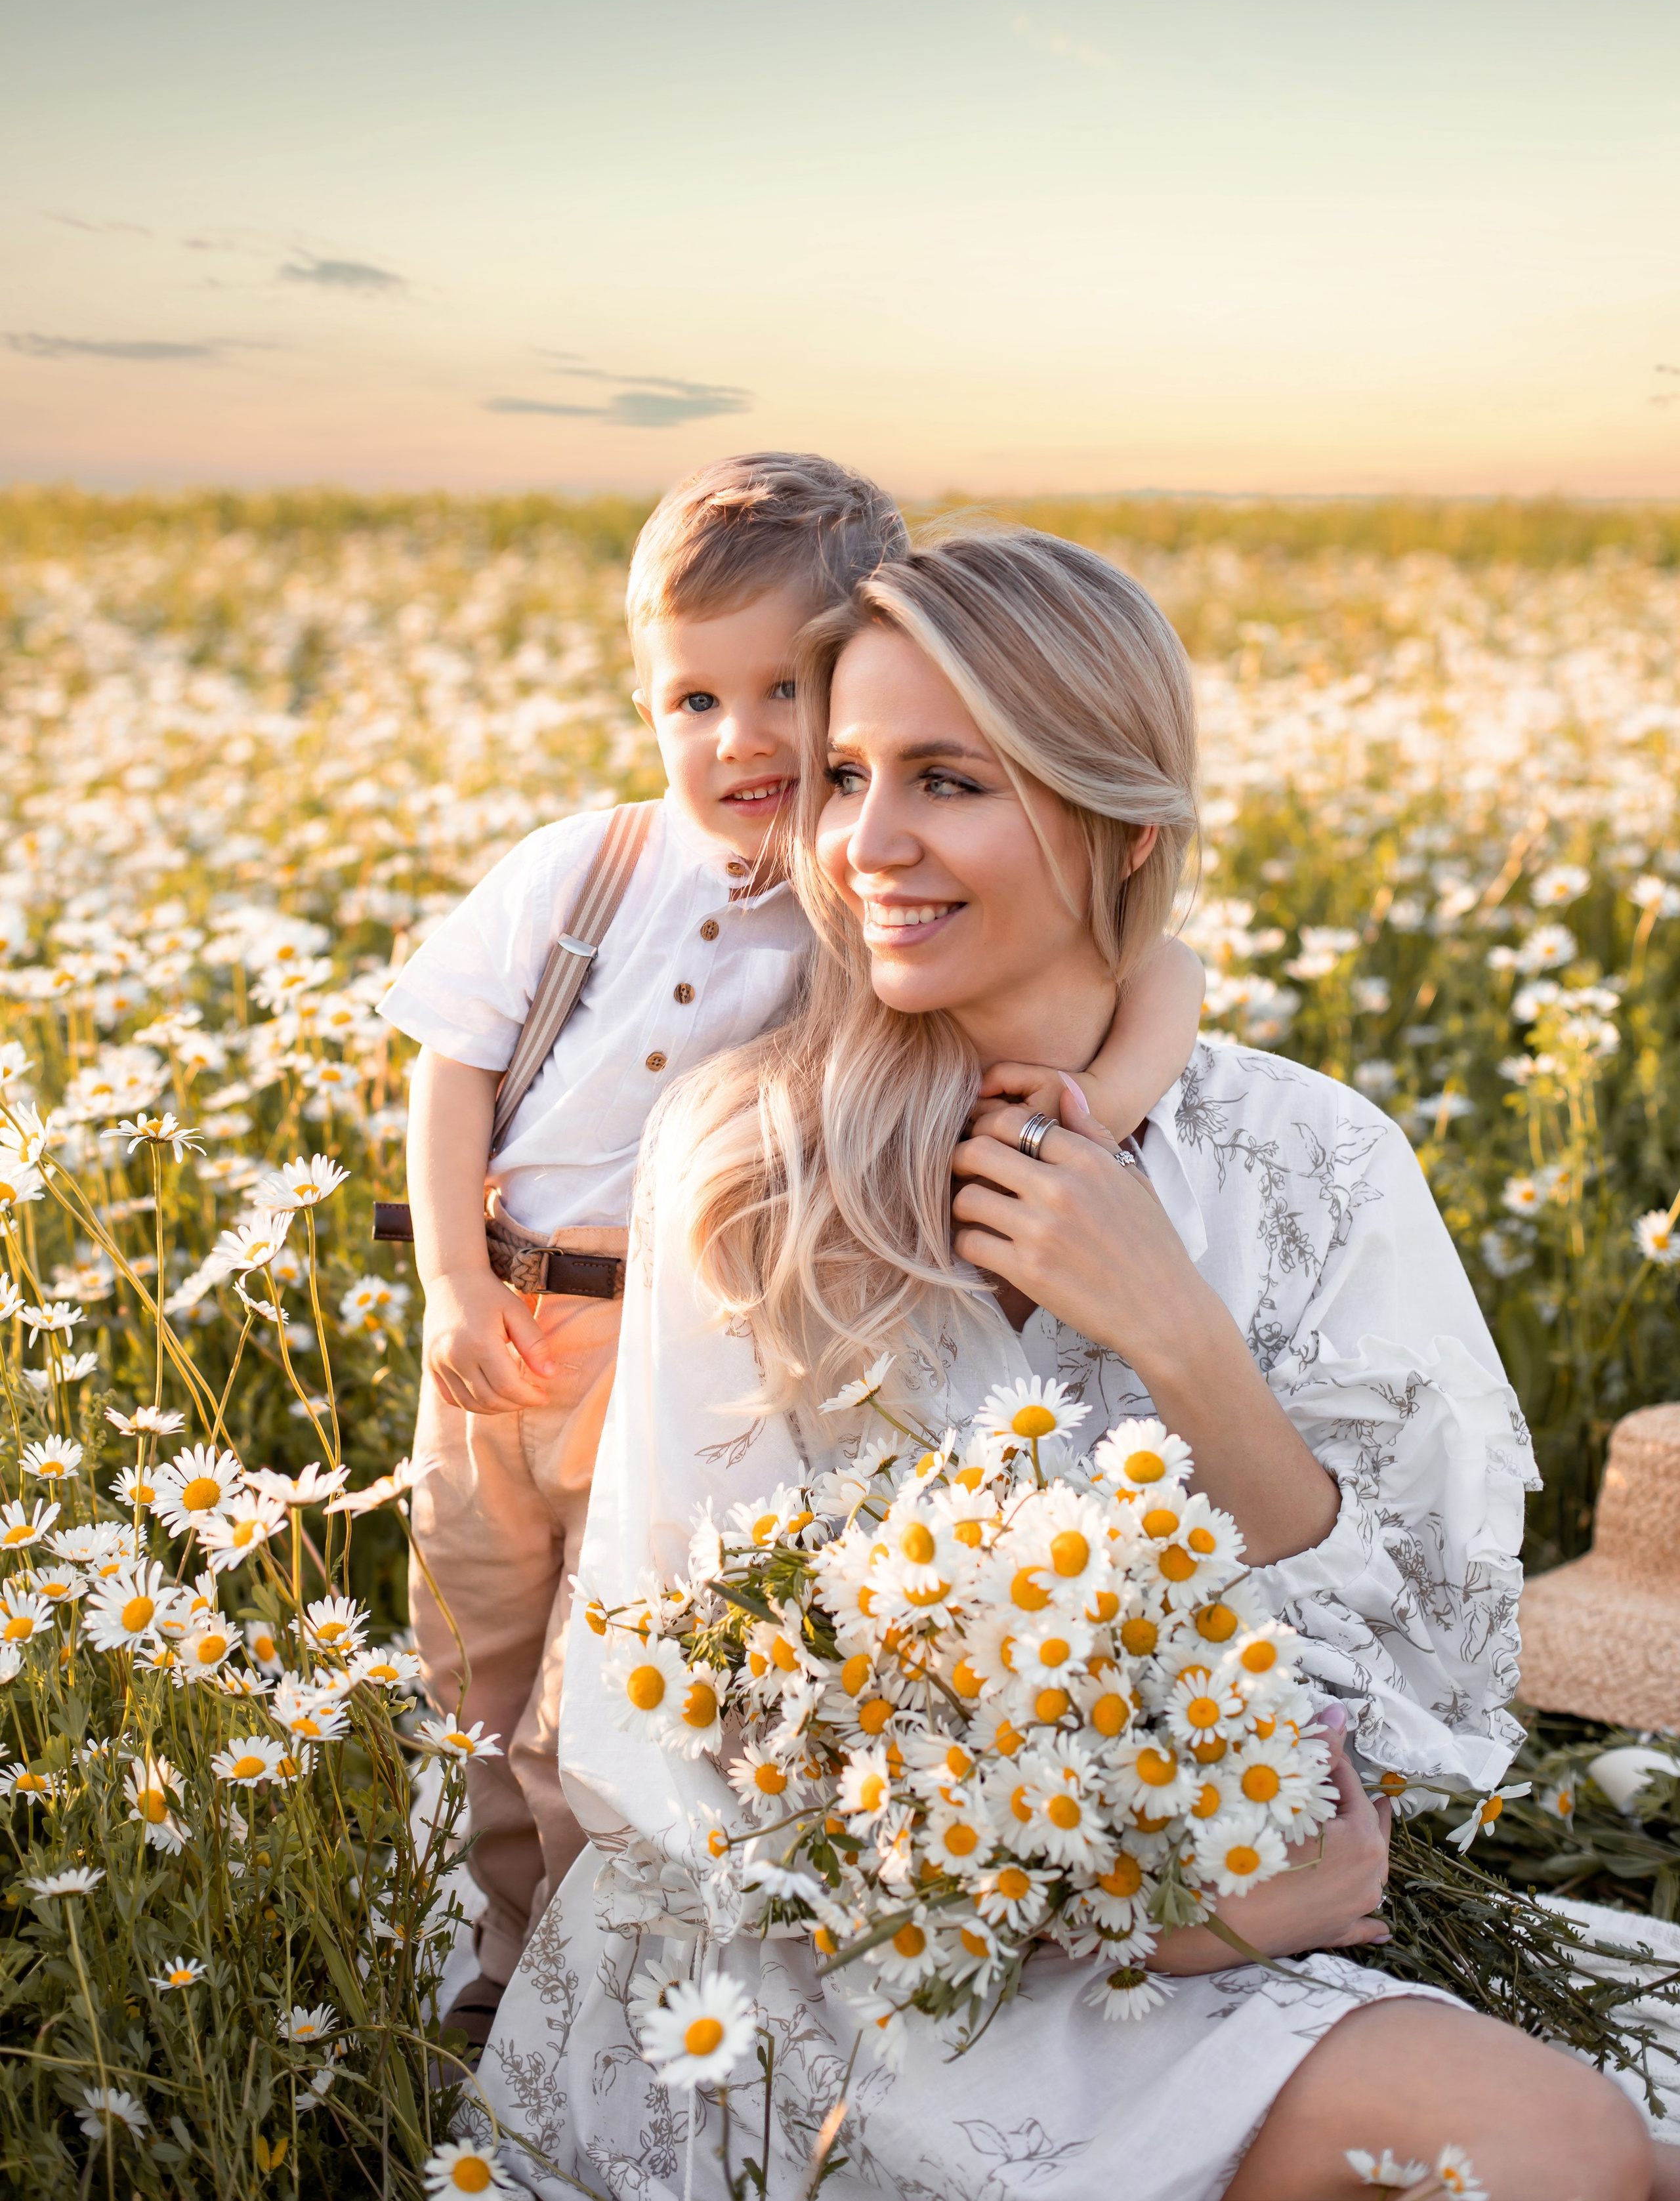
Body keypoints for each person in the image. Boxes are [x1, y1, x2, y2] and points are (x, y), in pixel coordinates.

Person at [477, 526, 1675, 2201]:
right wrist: (1149, 1923)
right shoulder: (749, 1163)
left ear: (1122, 821)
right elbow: (675, 1713)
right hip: (819, 1980)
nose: (865, 843)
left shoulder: (1312, 1157)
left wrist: (1177, 1337)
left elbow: (1432, 1681)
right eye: (842, 776)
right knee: (1556, 2146)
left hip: (1261, 1917)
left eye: (947, 781)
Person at [377, 469, 1206, 2049]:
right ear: (642, 701)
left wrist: (1107, 1099)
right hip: (500, 1321)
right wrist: (453, 1282)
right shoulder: (586, 866)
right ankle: (466, 1930)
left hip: (663, 1350)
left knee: (588, 1685)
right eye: (694, 699)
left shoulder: (850, 907)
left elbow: (1159, 959)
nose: (742, 739)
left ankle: (548, 1987)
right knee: (465, 1656)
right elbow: (449, 1065)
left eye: (784, 694)